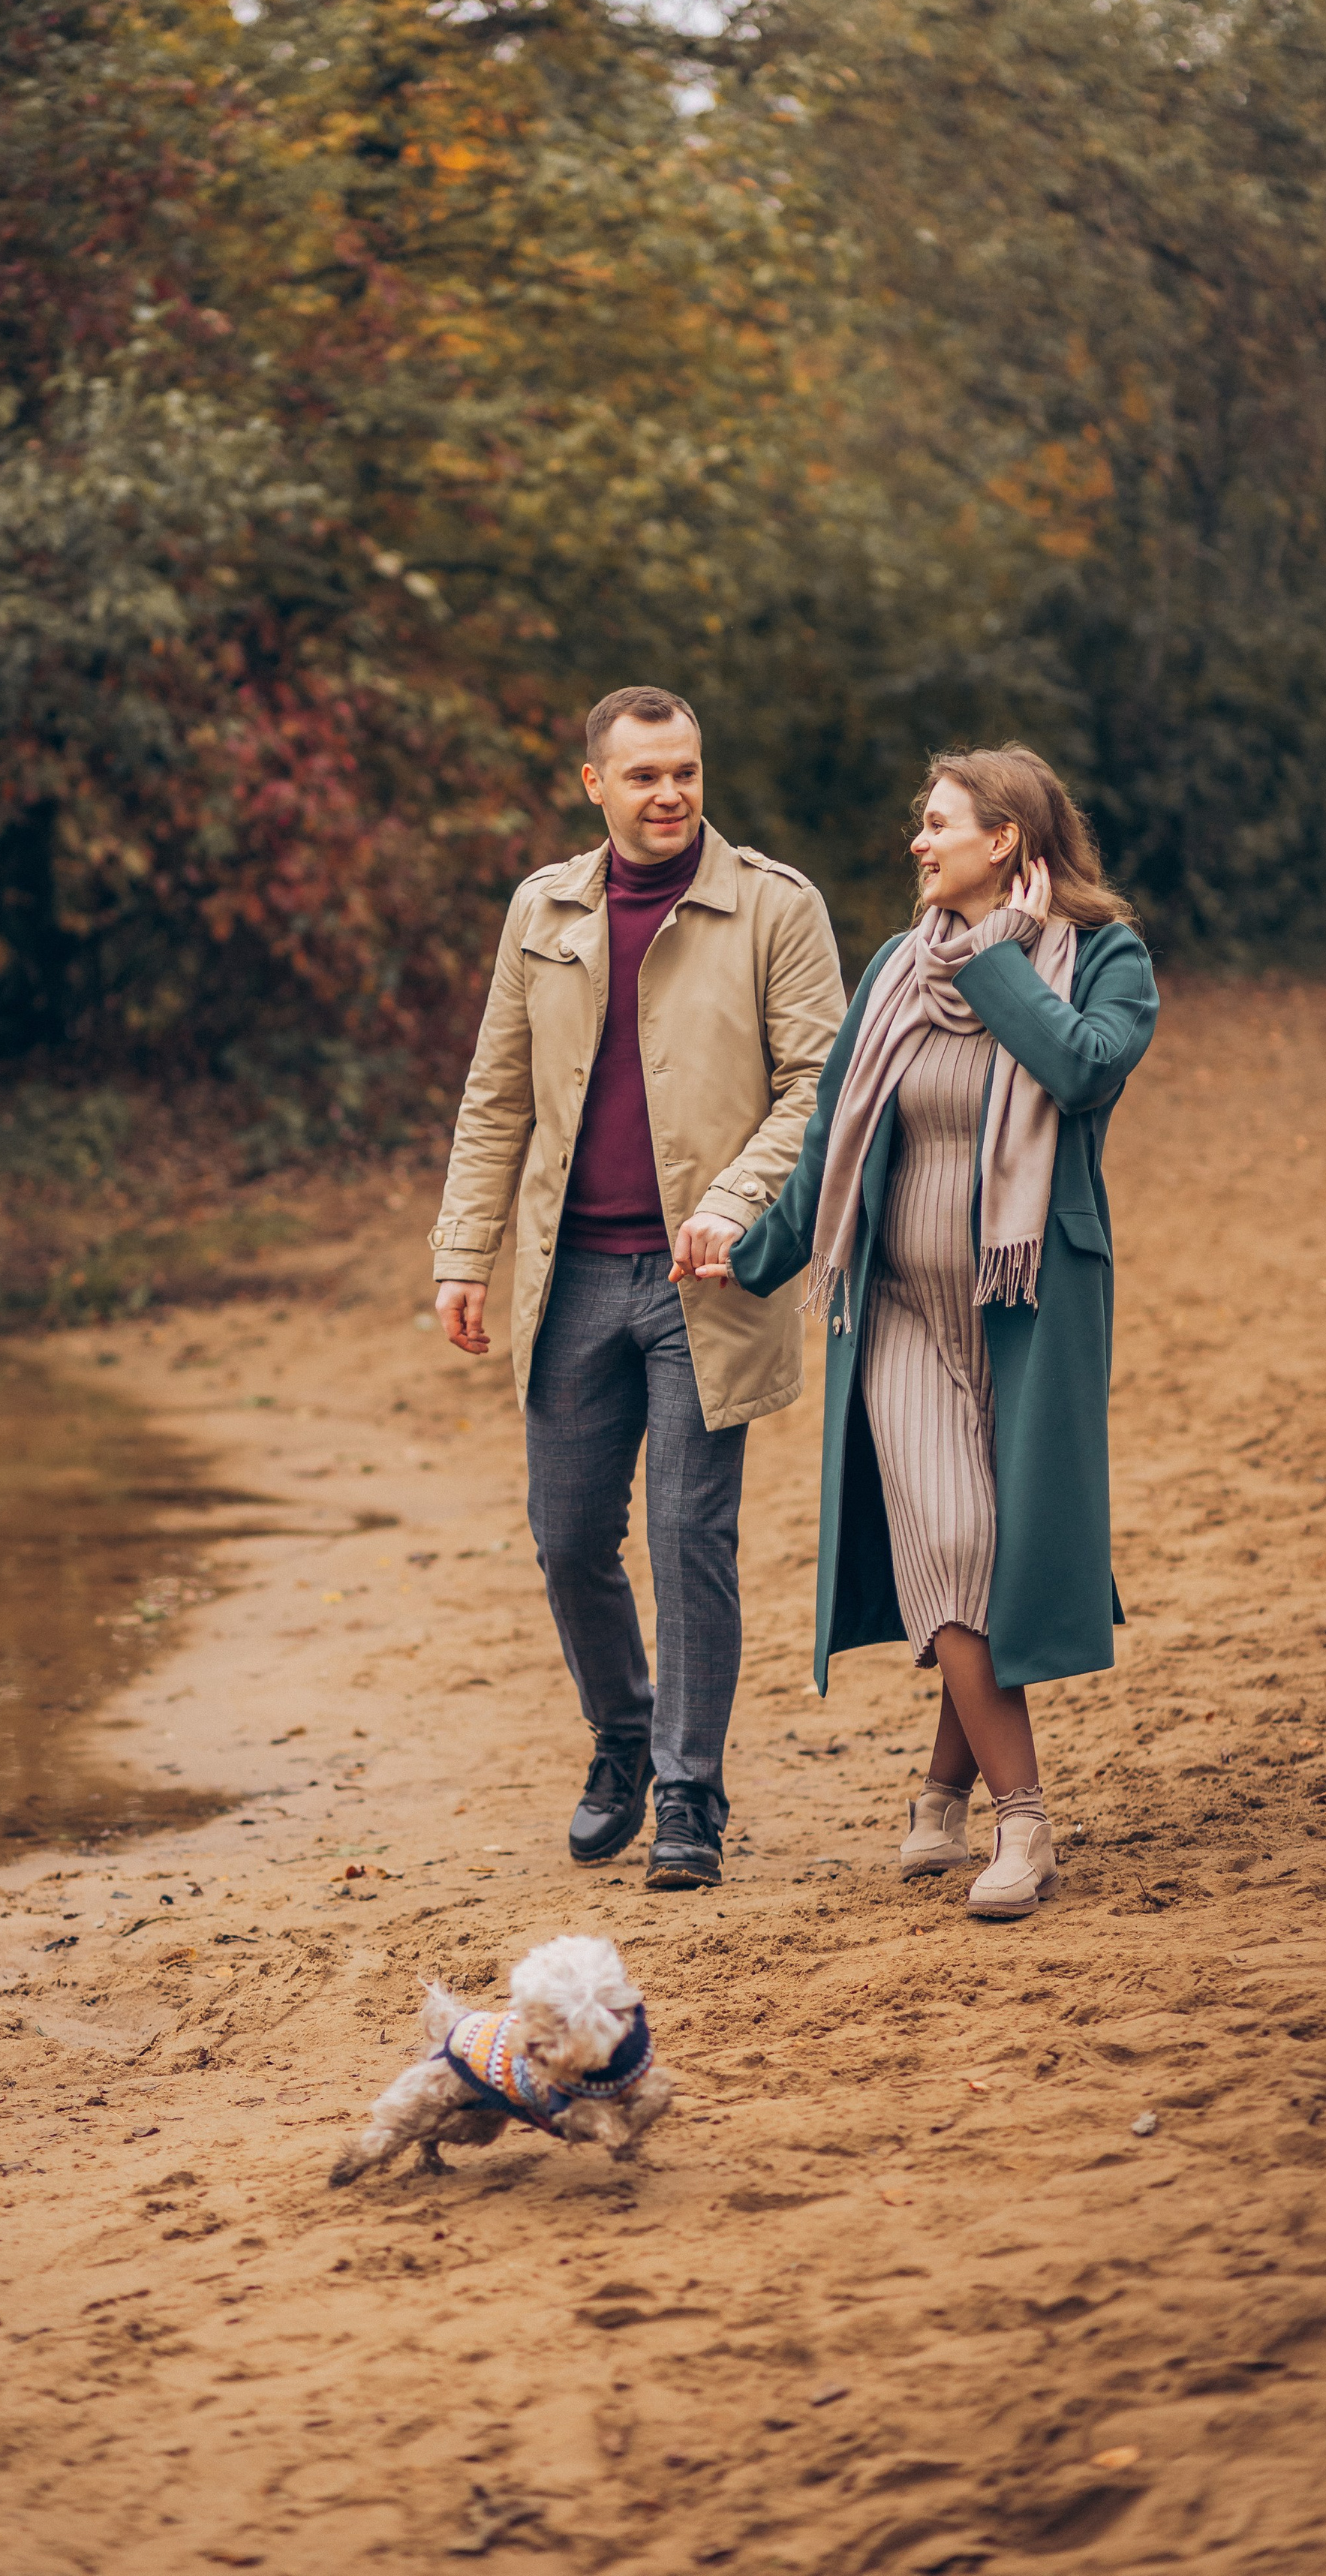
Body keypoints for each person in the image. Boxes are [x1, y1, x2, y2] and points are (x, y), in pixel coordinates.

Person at [696, 744, 1158, 1918]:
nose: (919, 842)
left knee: (997, 1554)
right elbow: (828, 1150)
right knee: (952, 1546)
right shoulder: (898, 966)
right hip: (895, 1311)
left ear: (1003, 842)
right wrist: (748, 1256)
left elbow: (1083, 1069)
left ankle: (940, 1793)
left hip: (1028, 1318)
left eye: (939, 824)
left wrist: (1002, 964)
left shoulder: (1103, 958)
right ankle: (1025, 1825)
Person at [429, 686, 846, 1889]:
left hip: (703, 1282)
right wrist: (466, 1252)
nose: (671, 796)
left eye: (688, 773)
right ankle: (621, 1735)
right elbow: (497, 1093)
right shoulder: (542, 909)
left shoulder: (776, 905)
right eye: (646, 776)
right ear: (595, 785)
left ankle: (687, 1795)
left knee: (687, 1534)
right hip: (568, 1281)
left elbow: (817, 1086)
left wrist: (731, 1199)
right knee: (567, 1540)